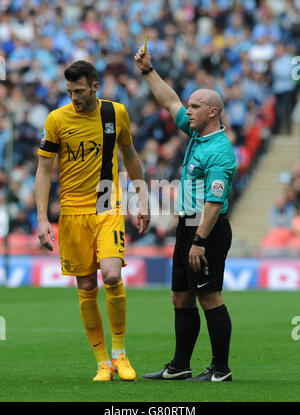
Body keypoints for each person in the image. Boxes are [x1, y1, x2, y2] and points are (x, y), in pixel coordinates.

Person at [35, 60, 150, 382]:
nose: (74, 97)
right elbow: (44, 170)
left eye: (80, 91)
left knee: (112, 276)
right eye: (70, 91)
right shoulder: (56, 119)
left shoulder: (116, 113)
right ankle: (102, 362)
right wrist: (43, 219)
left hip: (105, 203)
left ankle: (120, 354)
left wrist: (141, 198)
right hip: (71, 211)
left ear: (95, 87)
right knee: (86, 287)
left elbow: (130, 154)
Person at [134, 46, 236, 382]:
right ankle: (180, 366)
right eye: (189, 105)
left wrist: (200, 241)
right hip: (186, 225)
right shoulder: (196, 133)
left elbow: (214, 203)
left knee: (209, 297)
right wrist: (149, 71)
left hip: (205, 229)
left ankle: (221, 370)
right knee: (180, 297)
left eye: (195, 106)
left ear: (213, 111)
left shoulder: (220, 152)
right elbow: (170, 102)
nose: (187, 110)